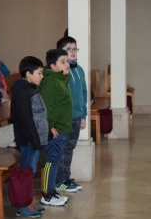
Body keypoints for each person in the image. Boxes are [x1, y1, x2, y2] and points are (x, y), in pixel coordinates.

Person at [11, 56, 47, 218]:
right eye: (39, 73)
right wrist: (34, 141)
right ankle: (22, 207)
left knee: (30, 172)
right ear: (28, 74)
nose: (42, 76)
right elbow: (26, 120)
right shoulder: (22, 92)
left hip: (34, 140)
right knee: (26, 173)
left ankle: (28, 203)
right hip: (28, 141)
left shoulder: (31, 89)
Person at [38, 49, 72, 206]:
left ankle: (51, 190)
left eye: (67, 61)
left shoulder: (61, 80)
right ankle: (46, 194)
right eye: (63, 62)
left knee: (55, 160)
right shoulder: (50, 82)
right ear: (52, 66)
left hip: (62, 128)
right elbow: (46, 106)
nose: (67, 64)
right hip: (55, 130)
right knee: (51, 161)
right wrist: (51, 126)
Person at [55, 36, 87, 192]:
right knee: (62, 149)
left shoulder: (79, 70)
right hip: (64, 119)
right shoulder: (61, 72)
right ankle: (59, 179)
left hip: (76, 117)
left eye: (75, 49)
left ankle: (65, 177)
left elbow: (83, 93)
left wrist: (84, 115)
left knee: (70, 148)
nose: (73, 52)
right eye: (69, 49)